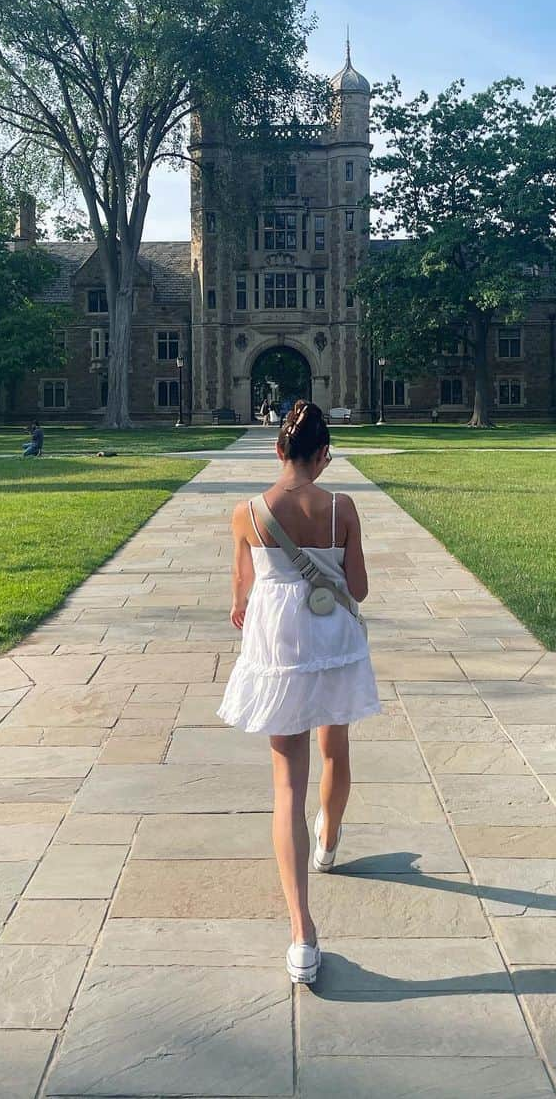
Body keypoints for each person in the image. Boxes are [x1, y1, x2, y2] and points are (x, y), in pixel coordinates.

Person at [218, 400, 379, 985]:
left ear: (277, 449)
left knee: (287, 781)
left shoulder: (248, 513)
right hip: (331, 639)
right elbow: (358, 586)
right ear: (324, 455)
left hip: (281, 646)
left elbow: (239, 598)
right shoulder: (342, 507)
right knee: (335, 749)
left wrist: (253, 604)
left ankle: (302, 933)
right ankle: (328, 843)